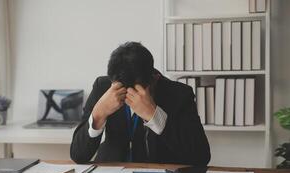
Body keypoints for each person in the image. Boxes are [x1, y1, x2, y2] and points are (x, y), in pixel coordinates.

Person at [70, 42, 210, 165]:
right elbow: (78, 155)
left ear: (154, 78)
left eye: (135, 90)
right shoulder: (103, 87)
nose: (128, 96)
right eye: (122, 90)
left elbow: (201, 157)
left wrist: (154, 116)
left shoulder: (179, 94)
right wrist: (98, 114)